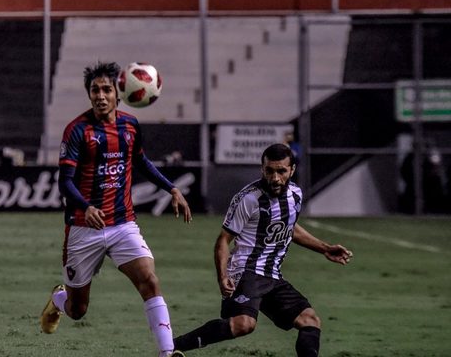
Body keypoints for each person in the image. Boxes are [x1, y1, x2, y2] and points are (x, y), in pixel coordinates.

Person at [40, 62, 191, 357]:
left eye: (106, 89)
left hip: (123, 224)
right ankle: (60, 300)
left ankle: (167, 353)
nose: (100, 95)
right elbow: (64, 182)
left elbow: (141, 162)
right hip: (84, 228)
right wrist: (86, 207)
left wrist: (171, 188)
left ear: (118, 93)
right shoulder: (77, 130)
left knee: (149, 278)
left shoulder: (130, 126)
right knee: (78, 309)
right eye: (94, 90)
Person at [173, 143, 353, 357]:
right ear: (262, 169)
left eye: (281, 171)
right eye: (269, 171)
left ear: (292, 170)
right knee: (244, 324)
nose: (275, 178)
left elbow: (290, 228)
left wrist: (324, 248)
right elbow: (223, 240)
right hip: (245, 271)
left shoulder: (295, 194)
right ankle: (172, 347)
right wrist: (222, 277)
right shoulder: (248, 199)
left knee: (310, 320)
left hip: (273, 276)